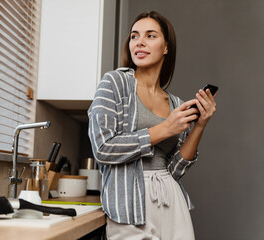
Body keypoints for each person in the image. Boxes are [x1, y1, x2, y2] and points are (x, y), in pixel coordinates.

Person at [88, 10, 217, 240]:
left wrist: (199, 126)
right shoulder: (114, 84)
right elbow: (103, 149)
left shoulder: (175, 103)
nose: (140, 42)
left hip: (171, 200)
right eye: (134, 36)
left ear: (166, 47)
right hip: (128, 204)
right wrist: (165, 129)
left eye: (150, 36)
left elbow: (175, 170)